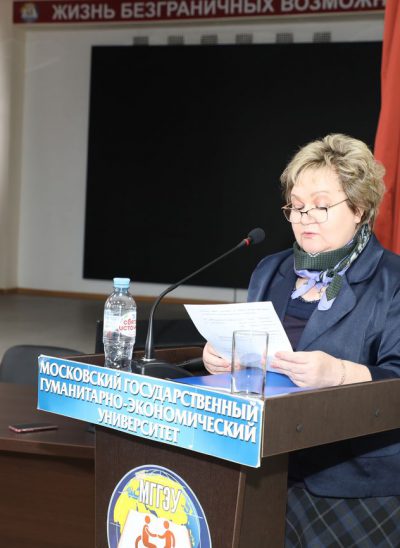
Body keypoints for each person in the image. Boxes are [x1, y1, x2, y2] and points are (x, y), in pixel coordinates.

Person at [203, 134, 400, 546]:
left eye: (321, 206)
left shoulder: (392, 281)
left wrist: (341, 373)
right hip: (266, 468)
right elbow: (252, 350)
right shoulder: (270, 270)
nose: (305, 217)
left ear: (359, 209)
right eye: (296, 206)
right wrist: (221, 356)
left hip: (351, 486)